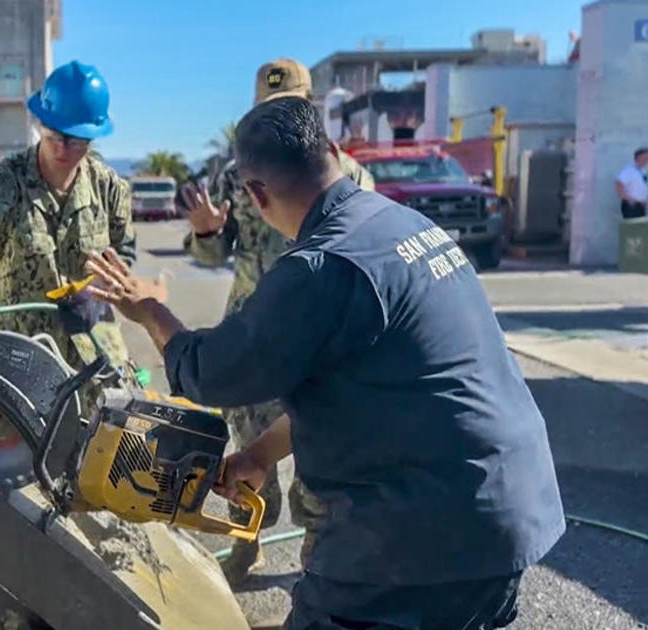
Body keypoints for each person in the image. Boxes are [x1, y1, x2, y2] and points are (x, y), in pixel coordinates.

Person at [84, 96, 565, 630]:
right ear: (333, 152)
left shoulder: (323, 265)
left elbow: (212, 372)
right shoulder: (403, 224)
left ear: (256, 194)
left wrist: (149, 308)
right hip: (504, 519)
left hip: (419, 540)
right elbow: (365, 384)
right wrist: (261, 454)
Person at [180, 58, 376, 582]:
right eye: (270, 109)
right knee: (247, 453)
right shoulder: (235, 173)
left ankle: (319, 560)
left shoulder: (352, 176)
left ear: (310, 108)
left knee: (320, 449)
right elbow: (210, 254)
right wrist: (205, 232)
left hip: (322, 342)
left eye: (291, 106)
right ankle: (248, 542)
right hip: (257, 331)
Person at [0, 60, 137, 389]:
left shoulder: (109, 189)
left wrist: (100, 293)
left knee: (116, 435)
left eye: (75, 140)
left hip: (97, 356)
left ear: (91, 137)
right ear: (41, 122)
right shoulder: (7, 181)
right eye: (54, 133)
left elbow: (124, 255)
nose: (62, 147)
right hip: (20, 360)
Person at [617, 147, 648, 219]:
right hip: (631, 206)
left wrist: (644, 200)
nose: (647, 160)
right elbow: (619, 183)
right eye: (645, 157)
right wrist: (627, 198)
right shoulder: (629, 170)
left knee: (640, 228)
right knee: (632, 228)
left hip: (640, 206)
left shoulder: (643, 171)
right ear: (638, 158)